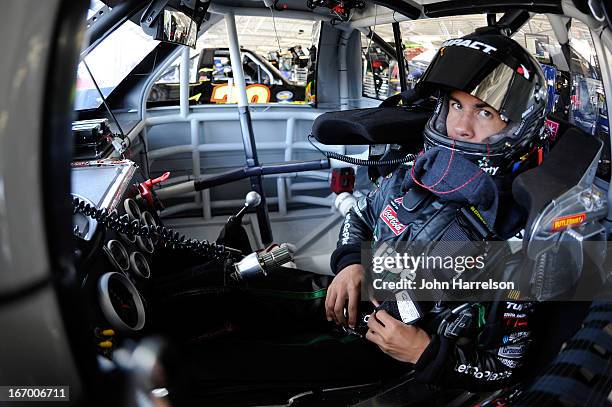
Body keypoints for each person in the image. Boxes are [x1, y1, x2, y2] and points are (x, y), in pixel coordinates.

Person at [326, 30, 549, 391]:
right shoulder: (418, 172)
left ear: (516, 128)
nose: (460, 127)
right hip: (356, 313)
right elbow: (361, 215)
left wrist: (425, 352)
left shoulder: (517, 234)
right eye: (457, 105)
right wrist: (352, 261)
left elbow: (507, 368)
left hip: (408, 376)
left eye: (484, 112)